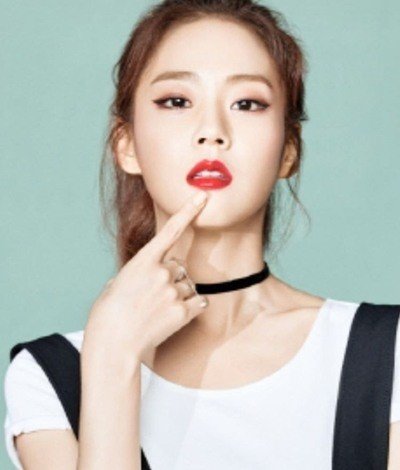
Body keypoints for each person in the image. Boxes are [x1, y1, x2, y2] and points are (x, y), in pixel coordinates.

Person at [3, 0, 400, 469]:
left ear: (288, 151)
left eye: (247, 103)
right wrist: (111, 361)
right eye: (177, 101)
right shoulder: (50, 376)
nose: (212, 131)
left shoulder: (386, 355)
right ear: (126, 145)